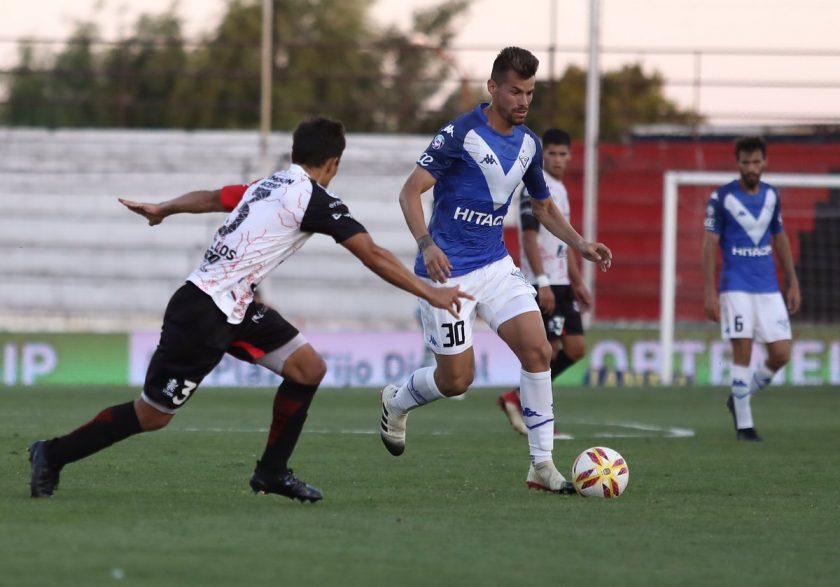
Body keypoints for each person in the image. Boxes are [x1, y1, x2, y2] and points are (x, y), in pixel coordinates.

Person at [28, 117, 471, 501]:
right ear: (333, 163)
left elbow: (213, 196)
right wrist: (430, 292)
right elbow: (371, 253)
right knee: (152, 416)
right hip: (202, 312)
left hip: (235, 306)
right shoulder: (311, 198)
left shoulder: (270, 183)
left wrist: (165, 208)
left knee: (307, 368)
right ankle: (52, 453)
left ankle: (272, 472)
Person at [378, 47, 612, 494]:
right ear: (493, 88)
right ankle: (397, 398)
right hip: (447, 274)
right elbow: (410, 193)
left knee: (538, 350)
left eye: (530, 93)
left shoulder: (530, 145)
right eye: (515, 91)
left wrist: (580, 243)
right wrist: (426, 245)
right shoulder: (459, 133)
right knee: (456, 380)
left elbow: (542, 207)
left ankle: (541, 465)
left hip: (495, 265)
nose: (524, 101)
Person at [703, 136, 800, 441]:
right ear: (738, 163)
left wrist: (792, 279)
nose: (751, 168)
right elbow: (710, 244)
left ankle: (739, 398)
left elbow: (780, 237)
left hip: (769, 287)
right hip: (736, 285)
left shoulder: (772, 195)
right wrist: (710, 291)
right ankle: (745, 426)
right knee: (742, 350)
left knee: (781, 353)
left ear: (764, 162)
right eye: (746, 162)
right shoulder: (721, 198)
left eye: (756, 162)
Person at [497, 128, 592, 436]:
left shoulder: (560, 190)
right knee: (546, 351)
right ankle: (538, 419)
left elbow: (563, 244)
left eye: (563, 154)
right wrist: (542, 281)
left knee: (575, 349)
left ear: (570, 156)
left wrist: (577, 281)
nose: (558, 159)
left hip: (562, 282)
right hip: (544, 282)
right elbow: (528, 236)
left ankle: (519, 398)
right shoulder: (534, 189)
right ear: (543, 155)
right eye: (551, 153)